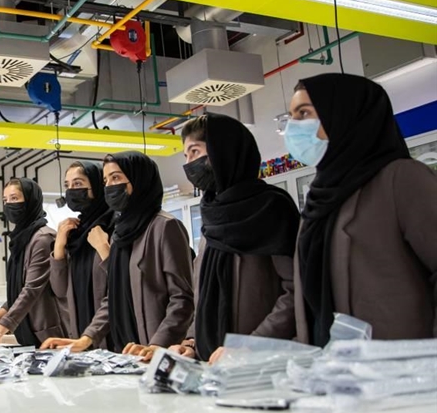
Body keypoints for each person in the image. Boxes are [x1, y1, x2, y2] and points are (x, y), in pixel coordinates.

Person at [285, 74, 437, 346]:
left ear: (343, 115)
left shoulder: (401, 178)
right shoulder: (319, 198)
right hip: (335, 364)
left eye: (304, 113)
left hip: (401, 362)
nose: (292, 127)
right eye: (291, 117)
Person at [166, 114, 299, 364]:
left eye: (195, 152)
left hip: (261, 362)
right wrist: (191, 342)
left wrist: (251, 345)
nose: (189, 164)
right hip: (212, 361)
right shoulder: (212, 213)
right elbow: (205, 295)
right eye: (185, 156)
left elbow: (295, 290)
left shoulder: (271, 207)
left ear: (223, 150)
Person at [42, 151, 194, 360]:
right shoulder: (122, 232)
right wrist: (86, 338)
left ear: (138, 179)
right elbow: (114, 294)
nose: (110, 187)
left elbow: (183, 298)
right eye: (106, 181)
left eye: (116, 178)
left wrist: (158, 345)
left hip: (151, 350)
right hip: (123, 349)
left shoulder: (165, 226)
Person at [0, 178, 64, 348]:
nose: (9, 205)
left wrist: (0, 329)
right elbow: (19, 288)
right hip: (27, 331)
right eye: (5, 200)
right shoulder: (21, 238)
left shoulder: (43, 238)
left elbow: (32, 289)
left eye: (14, 198)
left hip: (46, 333)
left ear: (31, 200)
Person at [46, 161, 115, 351]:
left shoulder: (114, 227)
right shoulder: (75, 234)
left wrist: (104, 248)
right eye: (67, 185)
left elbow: (122, 287)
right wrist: (59, 246)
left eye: (78, 183)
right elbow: (60, 290)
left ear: (97, 185)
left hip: (111, 336)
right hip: (80, 336)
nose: (71, 191)